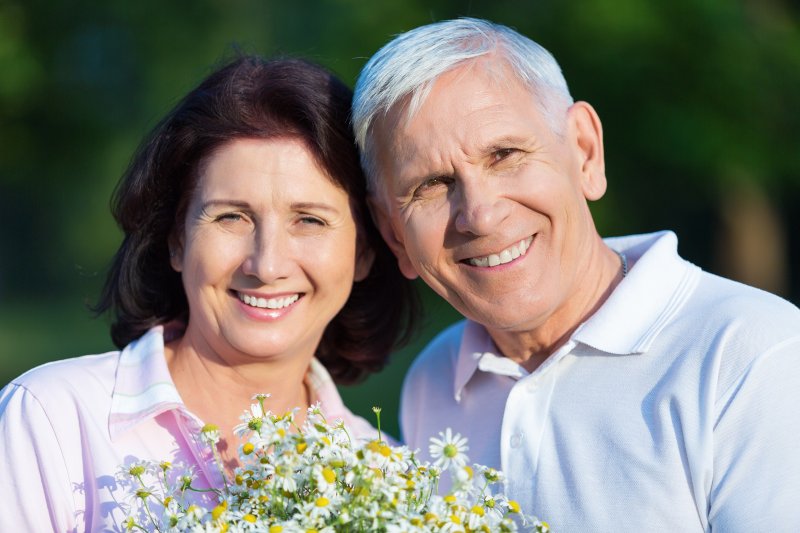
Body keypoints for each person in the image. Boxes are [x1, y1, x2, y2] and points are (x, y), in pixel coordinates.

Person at [352, 17, 800, 532]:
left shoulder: (752, 356)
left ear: (584, 152)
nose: (479, 213)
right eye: (431, 185)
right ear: (392, 235)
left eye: (504, 155)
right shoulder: (433, 383)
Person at [0, 55, 416, 531]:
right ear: (177, 239)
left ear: (364, 251)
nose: (267, 265)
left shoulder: (385, 479)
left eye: (310, 220)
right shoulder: (53, 420)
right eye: (231, 217)